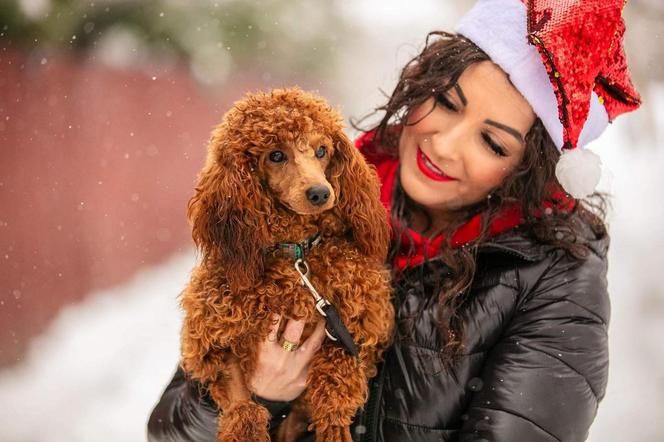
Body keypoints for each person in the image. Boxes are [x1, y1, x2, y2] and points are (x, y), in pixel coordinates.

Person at [148, 0, 641, 440]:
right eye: (446, 103)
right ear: (420, 86)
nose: (443, 146)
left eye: (492, 142)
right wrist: (258, 394)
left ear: (526, 171)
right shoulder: (300, 209)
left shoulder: (555, 277)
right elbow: (172, 429)